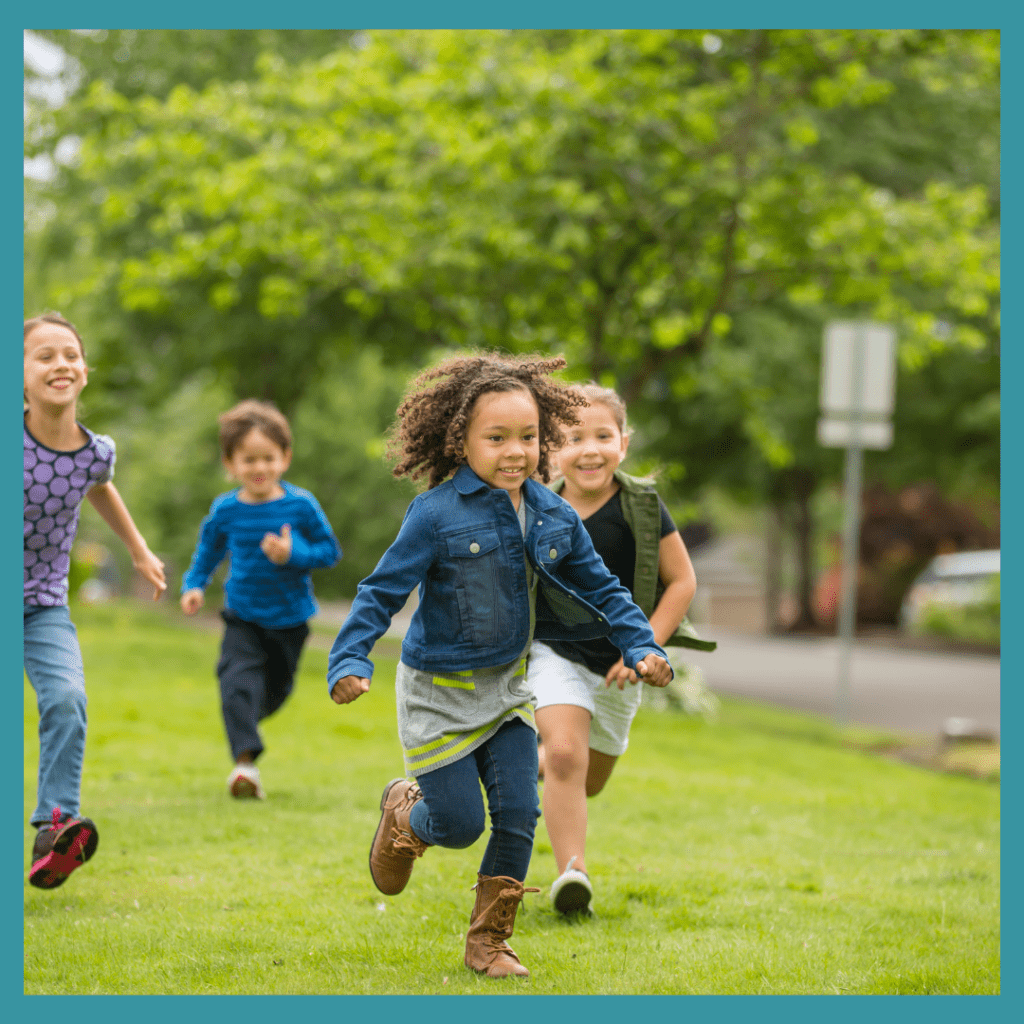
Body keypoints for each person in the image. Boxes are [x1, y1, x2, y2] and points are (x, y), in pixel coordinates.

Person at [327, 353, 674, 980]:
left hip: (510, 689)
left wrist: (642, 644)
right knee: (458, 825)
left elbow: (604, 588)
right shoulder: (434, 514)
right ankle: (406, 815)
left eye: (529, 437)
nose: (516, 451)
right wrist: (349, 657)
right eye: (497, 438)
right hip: (438, 693)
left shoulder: (551, 512)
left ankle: (490, 943)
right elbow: (381, 591)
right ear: (461, 441)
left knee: (518, 810)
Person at [527, 383, 712, 917]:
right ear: (551, 448)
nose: (590, 449)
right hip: (552, 652)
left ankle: (541, 761)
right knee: (566, 753)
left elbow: (682, 581)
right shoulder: (536, 507)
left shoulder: (644, 507)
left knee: (590, 780)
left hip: (619, 667)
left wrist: (644, 647)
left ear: (623, 443)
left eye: (602, 435)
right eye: (573, 437)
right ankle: (572, 873)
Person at [24, 313, 167, 889]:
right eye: (44, 356)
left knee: (66, 698)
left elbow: (99, 485)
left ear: (83, 371)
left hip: (41, 604)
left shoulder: (94, 452)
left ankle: (54, 825)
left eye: (70, 355)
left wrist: (137, 549)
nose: (60, 364)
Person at [180, 400, 341, 800]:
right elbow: (208, 553)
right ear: (230, 463)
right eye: (248, 460)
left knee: (274, 693)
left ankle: (245, 723)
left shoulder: (300, 506)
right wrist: (194, 585)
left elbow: (329, 552)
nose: (259, 468)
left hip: (290, 620)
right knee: (235, 681)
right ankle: (245, 767)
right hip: (243, 615)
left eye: (268, 458)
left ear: (285, 458)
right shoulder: (226, 510)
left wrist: (293, 555)